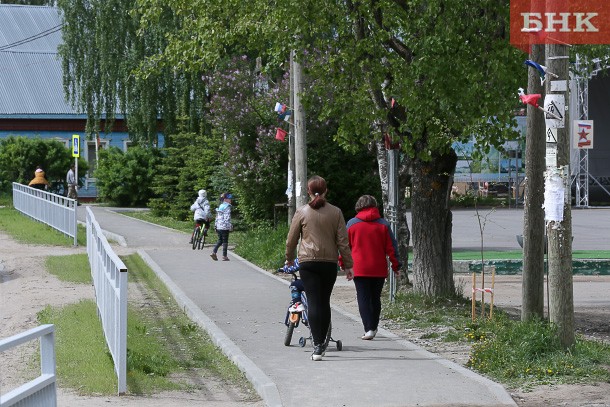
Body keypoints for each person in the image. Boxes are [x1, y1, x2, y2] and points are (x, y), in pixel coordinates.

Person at [285, 175, 353, 361]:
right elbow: (342, 241)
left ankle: (317, 346)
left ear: (308, 191)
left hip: (308, 263)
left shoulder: (302, 212)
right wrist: (348, 265)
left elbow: (291, 239)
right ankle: (323, 341)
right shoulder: (336, 212)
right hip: (329, 263)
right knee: (324, 301)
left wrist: (289, 259)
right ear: (326, 190)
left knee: (314, 301)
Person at [345, 195, 401, 340]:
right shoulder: (383, 224)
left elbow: (345, 247)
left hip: (359, 268)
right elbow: (391, 248)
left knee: (363, 297)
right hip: (378, 268)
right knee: (375, 298)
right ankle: (374, 326)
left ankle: (368, 328)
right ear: (375, 206)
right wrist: (396, 266)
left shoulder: (351, 224)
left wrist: (344, 264)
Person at [210, 193, 233, 261]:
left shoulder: (220, 206)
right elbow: (227, 218)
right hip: (224, 227)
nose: (230, 200)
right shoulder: (227, 207)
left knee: (220, 240)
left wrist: (215, 226)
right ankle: (224, 256)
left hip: (219, 226)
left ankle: (214, 252)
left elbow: (217, 217)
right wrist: (230, 226)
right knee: (225, 241)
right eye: (229, 198)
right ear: (225, 199)